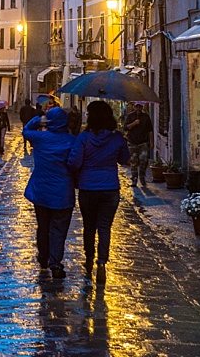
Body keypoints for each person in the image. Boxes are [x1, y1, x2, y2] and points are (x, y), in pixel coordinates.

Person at [68, 100, 131, 280]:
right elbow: (124, 160)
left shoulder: (83, 138)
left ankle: (89, 258)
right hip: (110, 188)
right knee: (105, 227)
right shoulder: (117, 138)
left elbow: (74, 162)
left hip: (88, 188)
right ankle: (102, 263)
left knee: (89, 226)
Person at [23, 106, 77, 279]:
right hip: (62, 192)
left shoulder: (40, 138)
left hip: (41, 191)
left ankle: (43, 257)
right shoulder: (72, 141)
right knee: (58, 230)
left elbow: (26, 130)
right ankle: (55, 263)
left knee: (43, 226)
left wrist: (38, 120)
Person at [124, 101, 154, 185]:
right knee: (133, 161)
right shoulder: (130, 116)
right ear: (134, 107)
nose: (138, 109)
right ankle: (134, 178)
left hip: (143, 143)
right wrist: (134, 123)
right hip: (132, 142)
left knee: (143, 160)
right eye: (137, 107)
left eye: (140, 107)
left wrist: (152, 142)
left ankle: (142, 176)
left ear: (142, 107)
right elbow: (125, 128)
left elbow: (150, 130)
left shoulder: (145, 117)